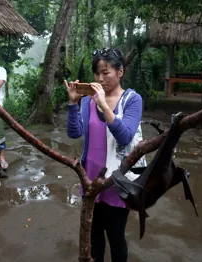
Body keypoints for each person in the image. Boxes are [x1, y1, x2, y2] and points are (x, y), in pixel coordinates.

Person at [65, 47, 147, 262]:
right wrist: (73, 103)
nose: (100, 79)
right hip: (90, 178)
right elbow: (74, 133)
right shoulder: (87, 101)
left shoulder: (132, 100)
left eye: (106, 72)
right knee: (94, 235)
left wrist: (103, 104)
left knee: (116, 236)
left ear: (120, 72)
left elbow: (125, 136)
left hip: (117, 181)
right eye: (97, 73)